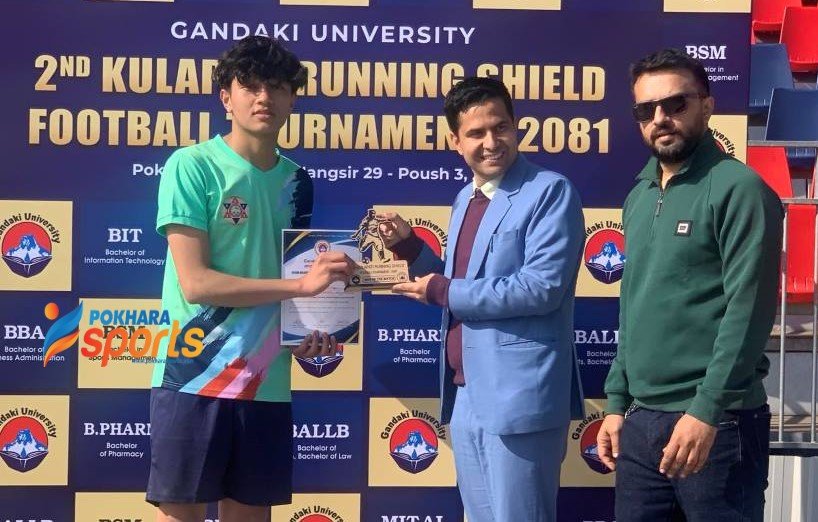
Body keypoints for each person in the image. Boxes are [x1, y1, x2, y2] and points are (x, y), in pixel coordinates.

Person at [147, 36, 354, 522]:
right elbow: (197, 284)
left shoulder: (298, 181)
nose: (265, 98)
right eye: (252, 86)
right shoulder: (191, 166)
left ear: (293, 99)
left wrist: (305, 332)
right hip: (194, 375)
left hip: (266, 380)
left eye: (278, 87)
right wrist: (300, 289)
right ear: (226, 97)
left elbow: (294, 276)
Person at [378, 76, 585, 521]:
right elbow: (465, 282)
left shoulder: (550, 191)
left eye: (500, 127)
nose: (491, 142)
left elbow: (541, 287)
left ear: (516, 126)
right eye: (476, 133)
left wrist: (440, 290)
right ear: (455, 142)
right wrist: (411, 249)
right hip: (465, 395)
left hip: (519, 399)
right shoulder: (464, 199)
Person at [596, 48, 783, 522]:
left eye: (675, 103)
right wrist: (617, 403)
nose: (660, 118)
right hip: (641, 422)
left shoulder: (740, 189)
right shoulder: (638, 196)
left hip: (717, 422)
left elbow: (749, 312)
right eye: (646, 110)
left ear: (707, 105)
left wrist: (706, 410)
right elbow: (633, 306)